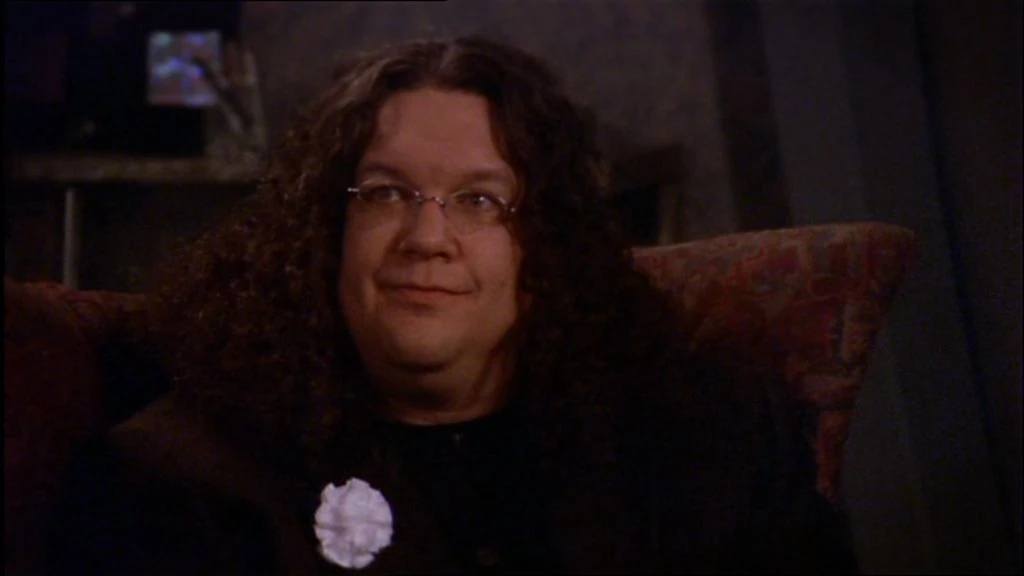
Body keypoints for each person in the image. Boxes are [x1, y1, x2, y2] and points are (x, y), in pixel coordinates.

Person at [48, 36, 857, 574]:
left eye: (479, 201)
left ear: (544, 243)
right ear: (325, 232)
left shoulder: (716, 442)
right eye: (387, 194)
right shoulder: (180, 479)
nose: (426, 238)